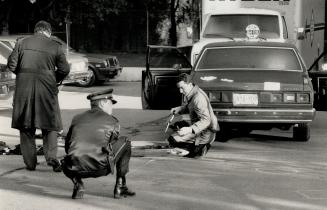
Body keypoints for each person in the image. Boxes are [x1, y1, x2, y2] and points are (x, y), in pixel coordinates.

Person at [6, 20, 70, 172]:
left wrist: (23, 74)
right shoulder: (54, 45)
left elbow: (12, 65)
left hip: (24, 89)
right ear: (48, 32)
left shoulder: (21, 43)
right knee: (50, 124)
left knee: (25, 125)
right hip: (47, 89)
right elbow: (65, 68)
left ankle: (30, 163)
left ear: (36, 31)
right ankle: (52, 158)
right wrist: (53, 78)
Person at [61, 88, 135, 199]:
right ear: (103, 102)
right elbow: (111, 146)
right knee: (126, 142)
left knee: (65, 160)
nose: (112, 107)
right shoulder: (112, 121)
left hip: (74, 168)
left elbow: (68, 147)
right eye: (111, 103)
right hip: (101, 168)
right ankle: (120, 186)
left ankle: (78, 184)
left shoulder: (77, 118)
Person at [167, 73, 219, 158]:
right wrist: (180, 108)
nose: (180, 91)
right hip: (199, 128)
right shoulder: (192, 92)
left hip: (206, 132)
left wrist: (190, 129)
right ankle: (195, 147)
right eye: (179, 88)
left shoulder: (198, 98)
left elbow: (206, 120)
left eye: (182, 88)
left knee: (177, 144)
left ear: (190, 84)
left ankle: (202, 147)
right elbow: (191, 107)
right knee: (173, 139)